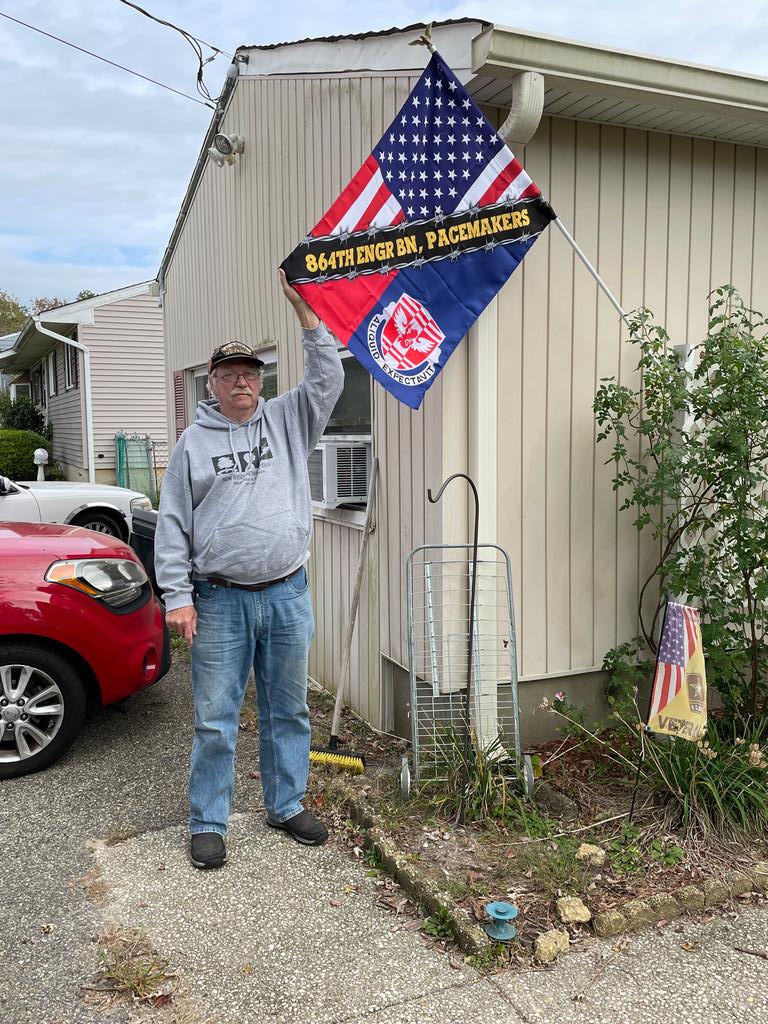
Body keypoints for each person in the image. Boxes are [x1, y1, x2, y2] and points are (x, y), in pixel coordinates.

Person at [155, 270, 344, 869]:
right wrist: (177, 596)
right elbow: (172, 524)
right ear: (212, 383)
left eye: (251, 373)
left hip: (287, 592)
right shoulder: (192, 444)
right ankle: (208, 820)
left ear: (261, 380)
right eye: (230, 373)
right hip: (219, 600)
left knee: (288, 709)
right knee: (216, 720)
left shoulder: (289, 419)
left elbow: (329, 378)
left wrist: (306, 314)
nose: (242, 381)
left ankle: (285, 805)